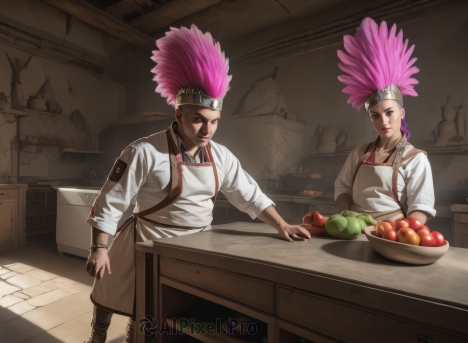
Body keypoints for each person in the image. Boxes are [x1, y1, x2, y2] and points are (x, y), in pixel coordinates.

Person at [84, 25, 311, 343]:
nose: (208, 129)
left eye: (214, 121)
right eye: (198, 119)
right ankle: (97, 336)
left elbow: (249, 194)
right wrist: (99, 248)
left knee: (159, 315)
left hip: (196, 250)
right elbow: (112, 201)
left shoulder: (222, 157)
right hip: (147, 243)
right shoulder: (144, 151)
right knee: (110, 294)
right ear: (178, 114)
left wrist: (282, 225)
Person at [334, 17, 435, 223]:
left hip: (390, 234)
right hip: (355, 228)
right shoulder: (358, 153)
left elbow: (421, 209)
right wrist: (350, 216)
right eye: (375, 115)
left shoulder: (415, 159)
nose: (384, 121)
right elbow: (342, 189)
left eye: (389, 112)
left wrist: (398, 235)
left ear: (402, 113)